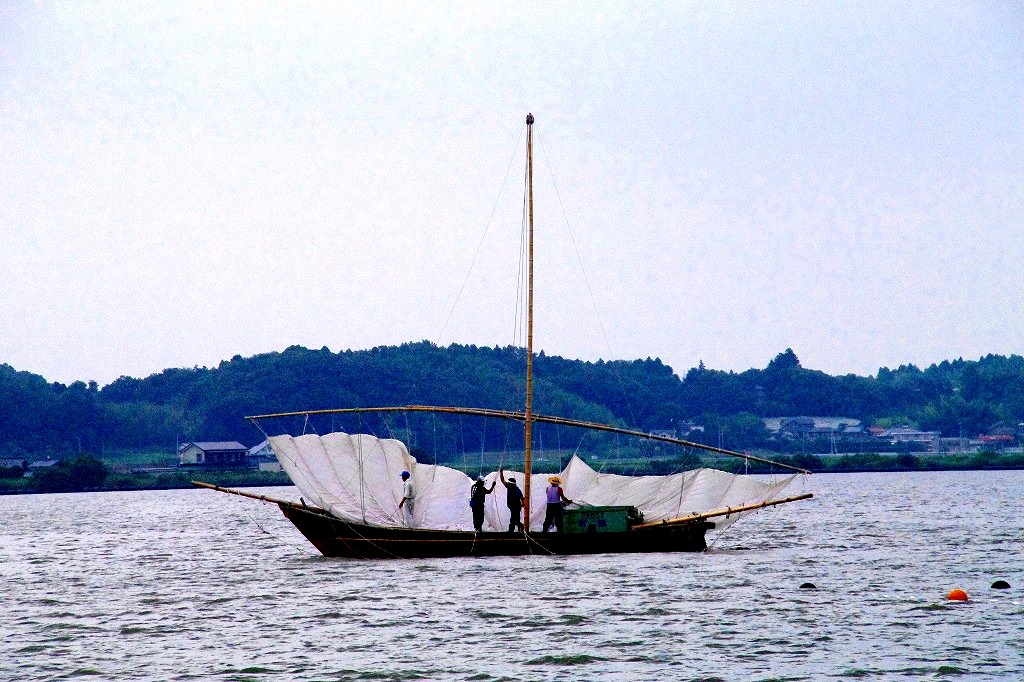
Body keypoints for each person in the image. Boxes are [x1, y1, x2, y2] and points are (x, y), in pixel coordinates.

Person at [499, 467, 525, 533]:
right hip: (513, 506)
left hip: (516, 506)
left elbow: (522, 497)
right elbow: (502, 480)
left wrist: (523, 503)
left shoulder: (516, 490)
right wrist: (501, 472)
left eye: (509, 483)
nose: (507, 483)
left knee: (514, 518)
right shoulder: (510, 487)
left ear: (511, 484)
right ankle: (518, 528)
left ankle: (515, 529)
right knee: (515, 518)